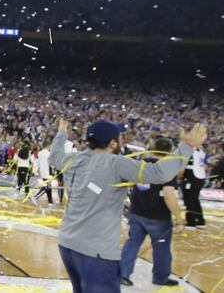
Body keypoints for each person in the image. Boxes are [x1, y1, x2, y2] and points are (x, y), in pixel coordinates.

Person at [50, 118, 206, 293]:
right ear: (112, 142)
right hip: (96, 252)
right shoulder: (116, 163)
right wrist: (187, 146)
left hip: (68, 244)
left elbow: (54, 156)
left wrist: (61, 133)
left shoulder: (73, 159)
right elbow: (160, 173)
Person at [119, 137, 184, 287]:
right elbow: (168, 194)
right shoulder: (167, 168)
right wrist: (179, 217)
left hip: (136, 212)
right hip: (158, 217)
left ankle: (122, 274)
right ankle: (160, 277)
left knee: (132, 243)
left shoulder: (140, 164)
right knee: (161, 248)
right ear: (169, 151)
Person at [182, 146, 208, 228]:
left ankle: (191, 222)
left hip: (191, 176)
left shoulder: (189, 151)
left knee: (189, 199)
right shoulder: (201, 152)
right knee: (195, 199)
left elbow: (183, 166)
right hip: (200, 177)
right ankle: (200, 220)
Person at [33, 139, 53, 204]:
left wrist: (35, 171)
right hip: (48, 173)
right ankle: (35, 197)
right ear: (48, 145)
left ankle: (50, 202)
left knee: (48, 188)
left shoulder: (40, 153)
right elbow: (51, 164)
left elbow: (37, 163)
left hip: (43, 173)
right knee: (47, 187)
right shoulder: (49, 154)